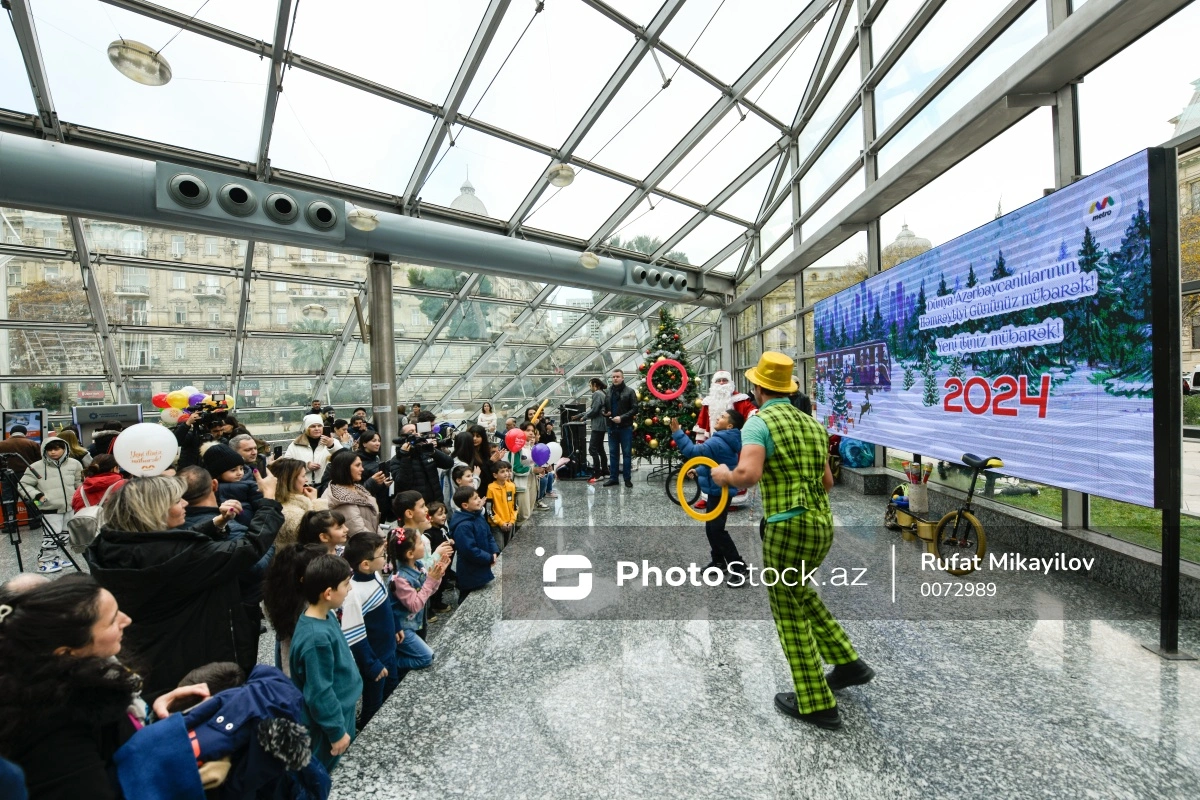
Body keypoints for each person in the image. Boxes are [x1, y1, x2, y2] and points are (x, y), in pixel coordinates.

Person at [710, 352, 873, 731]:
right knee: (799, 592)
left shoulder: (758, 422)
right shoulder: (811, 425)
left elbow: (748, 475)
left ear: (758, 388)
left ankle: (815, 702)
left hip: (787, 526)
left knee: (787, 611)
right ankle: (848, 663)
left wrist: (723, 475)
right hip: (821, 525)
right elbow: (828, 484)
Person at [86, 469, 283, 699]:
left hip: (146, 652)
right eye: (176, 500)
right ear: (156, 510)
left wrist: (216, 523)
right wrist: (269, 499)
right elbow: (249, 548)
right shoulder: (181, 556)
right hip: (191, 657)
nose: (184, 503)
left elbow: (163, 545)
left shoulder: (110, 543)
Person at [0, 576, 149, 799]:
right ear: (67, 653)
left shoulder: (74, 678)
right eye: (110, 621)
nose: (126, 620)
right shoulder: (55, 725)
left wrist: (158, 706)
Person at [289, 554, 362, 772]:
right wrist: (336, 732)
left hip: (341, 711)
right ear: (328, 593)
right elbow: (320, 692)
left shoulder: (323, 615)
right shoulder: (316, 639)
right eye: (346, 584)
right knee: (325, 773)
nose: (349, 589)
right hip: (328, 723)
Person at [670, 409, 745, 572]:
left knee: (717, 530)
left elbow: (693, 452)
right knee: (711, 528)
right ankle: (719, 562)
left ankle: (739, 568)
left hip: (720, 492)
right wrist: (698, 471)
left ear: (730, 425)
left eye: (723, 417)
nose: (718, 417)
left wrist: (677, 433)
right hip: (717, 490)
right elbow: (714, 463)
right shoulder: (725, 440)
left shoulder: (718, 442)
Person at [339, 532, 398, 729]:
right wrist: (372, 664)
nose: (385, 558)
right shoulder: (353, 593)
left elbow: (386, 603)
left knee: (392, 688)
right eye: (382, 554)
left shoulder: (375, 574)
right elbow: (354, 636)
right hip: (375, 659)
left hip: (388, 650)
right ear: (365, 564)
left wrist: (396, 626)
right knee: (373, 703)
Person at [262, 542, 328, 678]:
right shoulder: (309, 609)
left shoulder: (279, 595)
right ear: (304, 578)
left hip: (287, 657)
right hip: (304, 669)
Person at [389, 527, 450, 669]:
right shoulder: (400, 579)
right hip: (403, 629)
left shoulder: (418, 565)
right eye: (420, 544)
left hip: (417, 622)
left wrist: (437, 575)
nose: (424, 545)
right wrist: (431, 580)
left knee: (423, 652)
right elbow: (415, 605)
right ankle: (393, 663)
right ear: (410, 553)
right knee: (426, 657)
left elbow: (427, 592)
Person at [22, 435, 84, 574]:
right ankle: (44, 561)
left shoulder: (74, 464)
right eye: (49, 449)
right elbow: (23, 485)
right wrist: (38, 496)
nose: (53, 452)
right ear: (44, 450)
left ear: (64, 449)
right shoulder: (35, 467)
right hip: (49, 508)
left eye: (56, 449)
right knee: (51, 535)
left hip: (69, 506)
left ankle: (56, 558)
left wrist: (79, 499)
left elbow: (79, 483)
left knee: (64, 534)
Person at [449, 486, 498, 606]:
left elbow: (489, 535)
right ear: (465, 505)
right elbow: (469, 550)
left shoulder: (478, 516)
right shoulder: (463, 526)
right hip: (469, 570)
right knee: (467, 599)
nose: (479, 500)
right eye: (475, 499)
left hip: (482, 565)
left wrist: (494, 551)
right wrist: (489, 558)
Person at [389, 422, 454, 507]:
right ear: (403, 438)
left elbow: (449, 463)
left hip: (435, 505)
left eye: (416, 430)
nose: (416, 433)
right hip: (414, 508)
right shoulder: (397, 459)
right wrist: (406, 457)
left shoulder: (426, 452)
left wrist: (433, 451)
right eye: (411, 431)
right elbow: (403, 483)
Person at [269, 457, 328, 547]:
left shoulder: (296, 504)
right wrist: (315, 502)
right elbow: (322, 532)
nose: (306, 480)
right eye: (303, 476)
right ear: (290, 480)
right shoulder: (290, 513)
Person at [322, 450, 380, 535]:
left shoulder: (357, 488)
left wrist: (382, 538)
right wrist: (379, 542)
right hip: (361, 544)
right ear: (345, 468)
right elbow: (358, 531)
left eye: (361, 465)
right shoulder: (341, 498)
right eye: (357, 465)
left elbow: (373, 523)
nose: (362, 469)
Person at [204, 442, 263, 527]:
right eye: (233, 470)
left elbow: (260, 507)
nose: (239, 473)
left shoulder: (251, 485)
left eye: (241, 468)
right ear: (218, 473)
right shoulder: (209, 489)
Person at [0, 424, 42, 536]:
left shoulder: (1, 444)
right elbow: (39, 460)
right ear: (25, 433)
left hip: (7, 475)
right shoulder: (31, 443)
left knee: (8, 499)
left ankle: (10, 523)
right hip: (27, 474)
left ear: (10, 433)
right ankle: (35, 520)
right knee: (30, 496)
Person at [283, 414, 342, 488]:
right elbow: (287, 464)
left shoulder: (333, 442)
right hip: (303, 485)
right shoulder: (296, 444)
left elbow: (344, 458)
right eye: (313, 426)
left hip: (327, 485)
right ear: (307, 428)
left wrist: (331, 446)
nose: (317, 429)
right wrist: (305, 466)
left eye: (319, 426)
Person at [603, 368, 637, 488]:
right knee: (613, 453)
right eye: (613, 377)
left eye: (617, 376)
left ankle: (627, 479)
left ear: (622, 378)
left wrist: (621, 418)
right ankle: (614, 478)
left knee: (627, 454)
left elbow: (634, 409)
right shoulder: (608, 392)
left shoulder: (630, 392)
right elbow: (604, 407)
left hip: (625, 427)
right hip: (612, 426)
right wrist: (605, 413)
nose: (615, 378)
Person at [354, 431, 393, 523]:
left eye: (379, 441)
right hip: (367, 508)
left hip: (380, 506)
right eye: (373, 441)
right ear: (364, 443)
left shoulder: (376, 458)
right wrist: (373, 481)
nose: (377, 443)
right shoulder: (357, 462)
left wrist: (383, 484)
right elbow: (357, 489)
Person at [424, 501, 453, 612]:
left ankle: (438, 603)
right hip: (434, 564)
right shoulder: (429, 533)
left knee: (442, 584)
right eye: (440, 514)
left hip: (445, 563)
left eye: (444, 513)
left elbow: (446, 537)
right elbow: (430, 549)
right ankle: (429, 608)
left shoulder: (443, 528)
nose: (444, 516)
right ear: (430, 518)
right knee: (432, 586)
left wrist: (449, 541)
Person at [578, 377, 609, 483]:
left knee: (592, 449)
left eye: (590, 385)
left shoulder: (596, 394)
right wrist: (581, 414)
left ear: (595, 385)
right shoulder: (602, 393)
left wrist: (584, 417)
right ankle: (605, 471)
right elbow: (595, 409)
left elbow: (594, 410)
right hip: (602, 425)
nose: (589, 387)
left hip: (598, 426)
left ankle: (597, 474)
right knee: (600, 449)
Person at [487, 460, 517, 549]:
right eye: (502, 471)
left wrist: (512, 521)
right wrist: (500, 522)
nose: (506, 474)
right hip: (496, 524)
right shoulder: (491, 488)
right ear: (495, 475)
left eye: (507, 471)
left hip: (509, 523)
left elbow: (515, 505)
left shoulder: (511, 486)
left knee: (508, 547)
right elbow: (489, 509)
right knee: (499, 547)